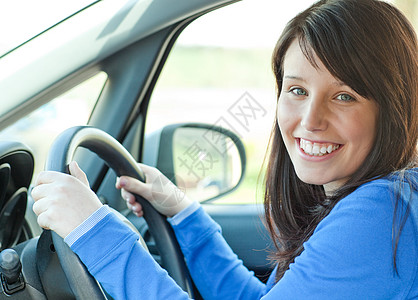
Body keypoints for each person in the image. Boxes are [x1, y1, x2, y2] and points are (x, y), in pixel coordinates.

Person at [31, 0, 417, 299]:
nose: (311, 119)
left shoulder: (384, 213)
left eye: (344, 96)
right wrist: (183, 212)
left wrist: (95, 230)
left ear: (393, 109)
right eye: (297, 90)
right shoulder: (383, 202)